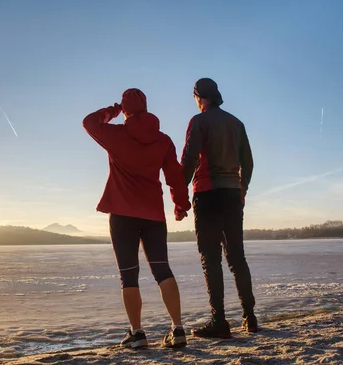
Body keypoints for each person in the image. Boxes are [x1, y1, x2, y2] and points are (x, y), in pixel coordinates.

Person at [83, 88, 192, 349]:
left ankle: (138, 333)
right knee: (162, 269)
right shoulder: (163, 140)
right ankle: (177, 329)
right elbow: (174, 176)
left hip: (122, 215)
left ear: (126, 108)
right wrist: (180, 205)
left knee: (128, 276)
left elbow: (89, 122)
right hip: (153, 215)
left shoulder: (116, 135)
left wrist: (113, 110)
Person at [180, 78, 258, 339]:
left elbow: (190, 159)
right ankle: (250, 316)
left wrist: (180, 195)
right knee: (237, 257)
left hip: (207, 194)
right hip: (232, 195)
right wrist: (242, 189)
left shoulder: (199, 122)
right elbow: (248, 163)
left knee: (210, 259)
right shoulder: (237, 123)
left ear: (199, 96)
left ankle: (219, 321)